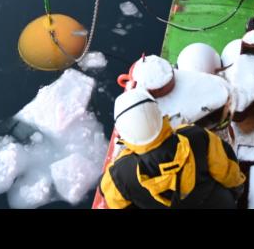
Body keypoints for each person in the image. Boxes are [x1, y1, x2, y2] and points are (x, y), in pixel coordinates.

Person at [99, 88, 246, 209]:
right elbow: (228, 172)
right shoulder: (197, 137)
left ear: (125, 134)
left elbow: (114, 202)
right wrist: (237, 190)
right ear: (159, 115)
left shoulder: (118, 175)